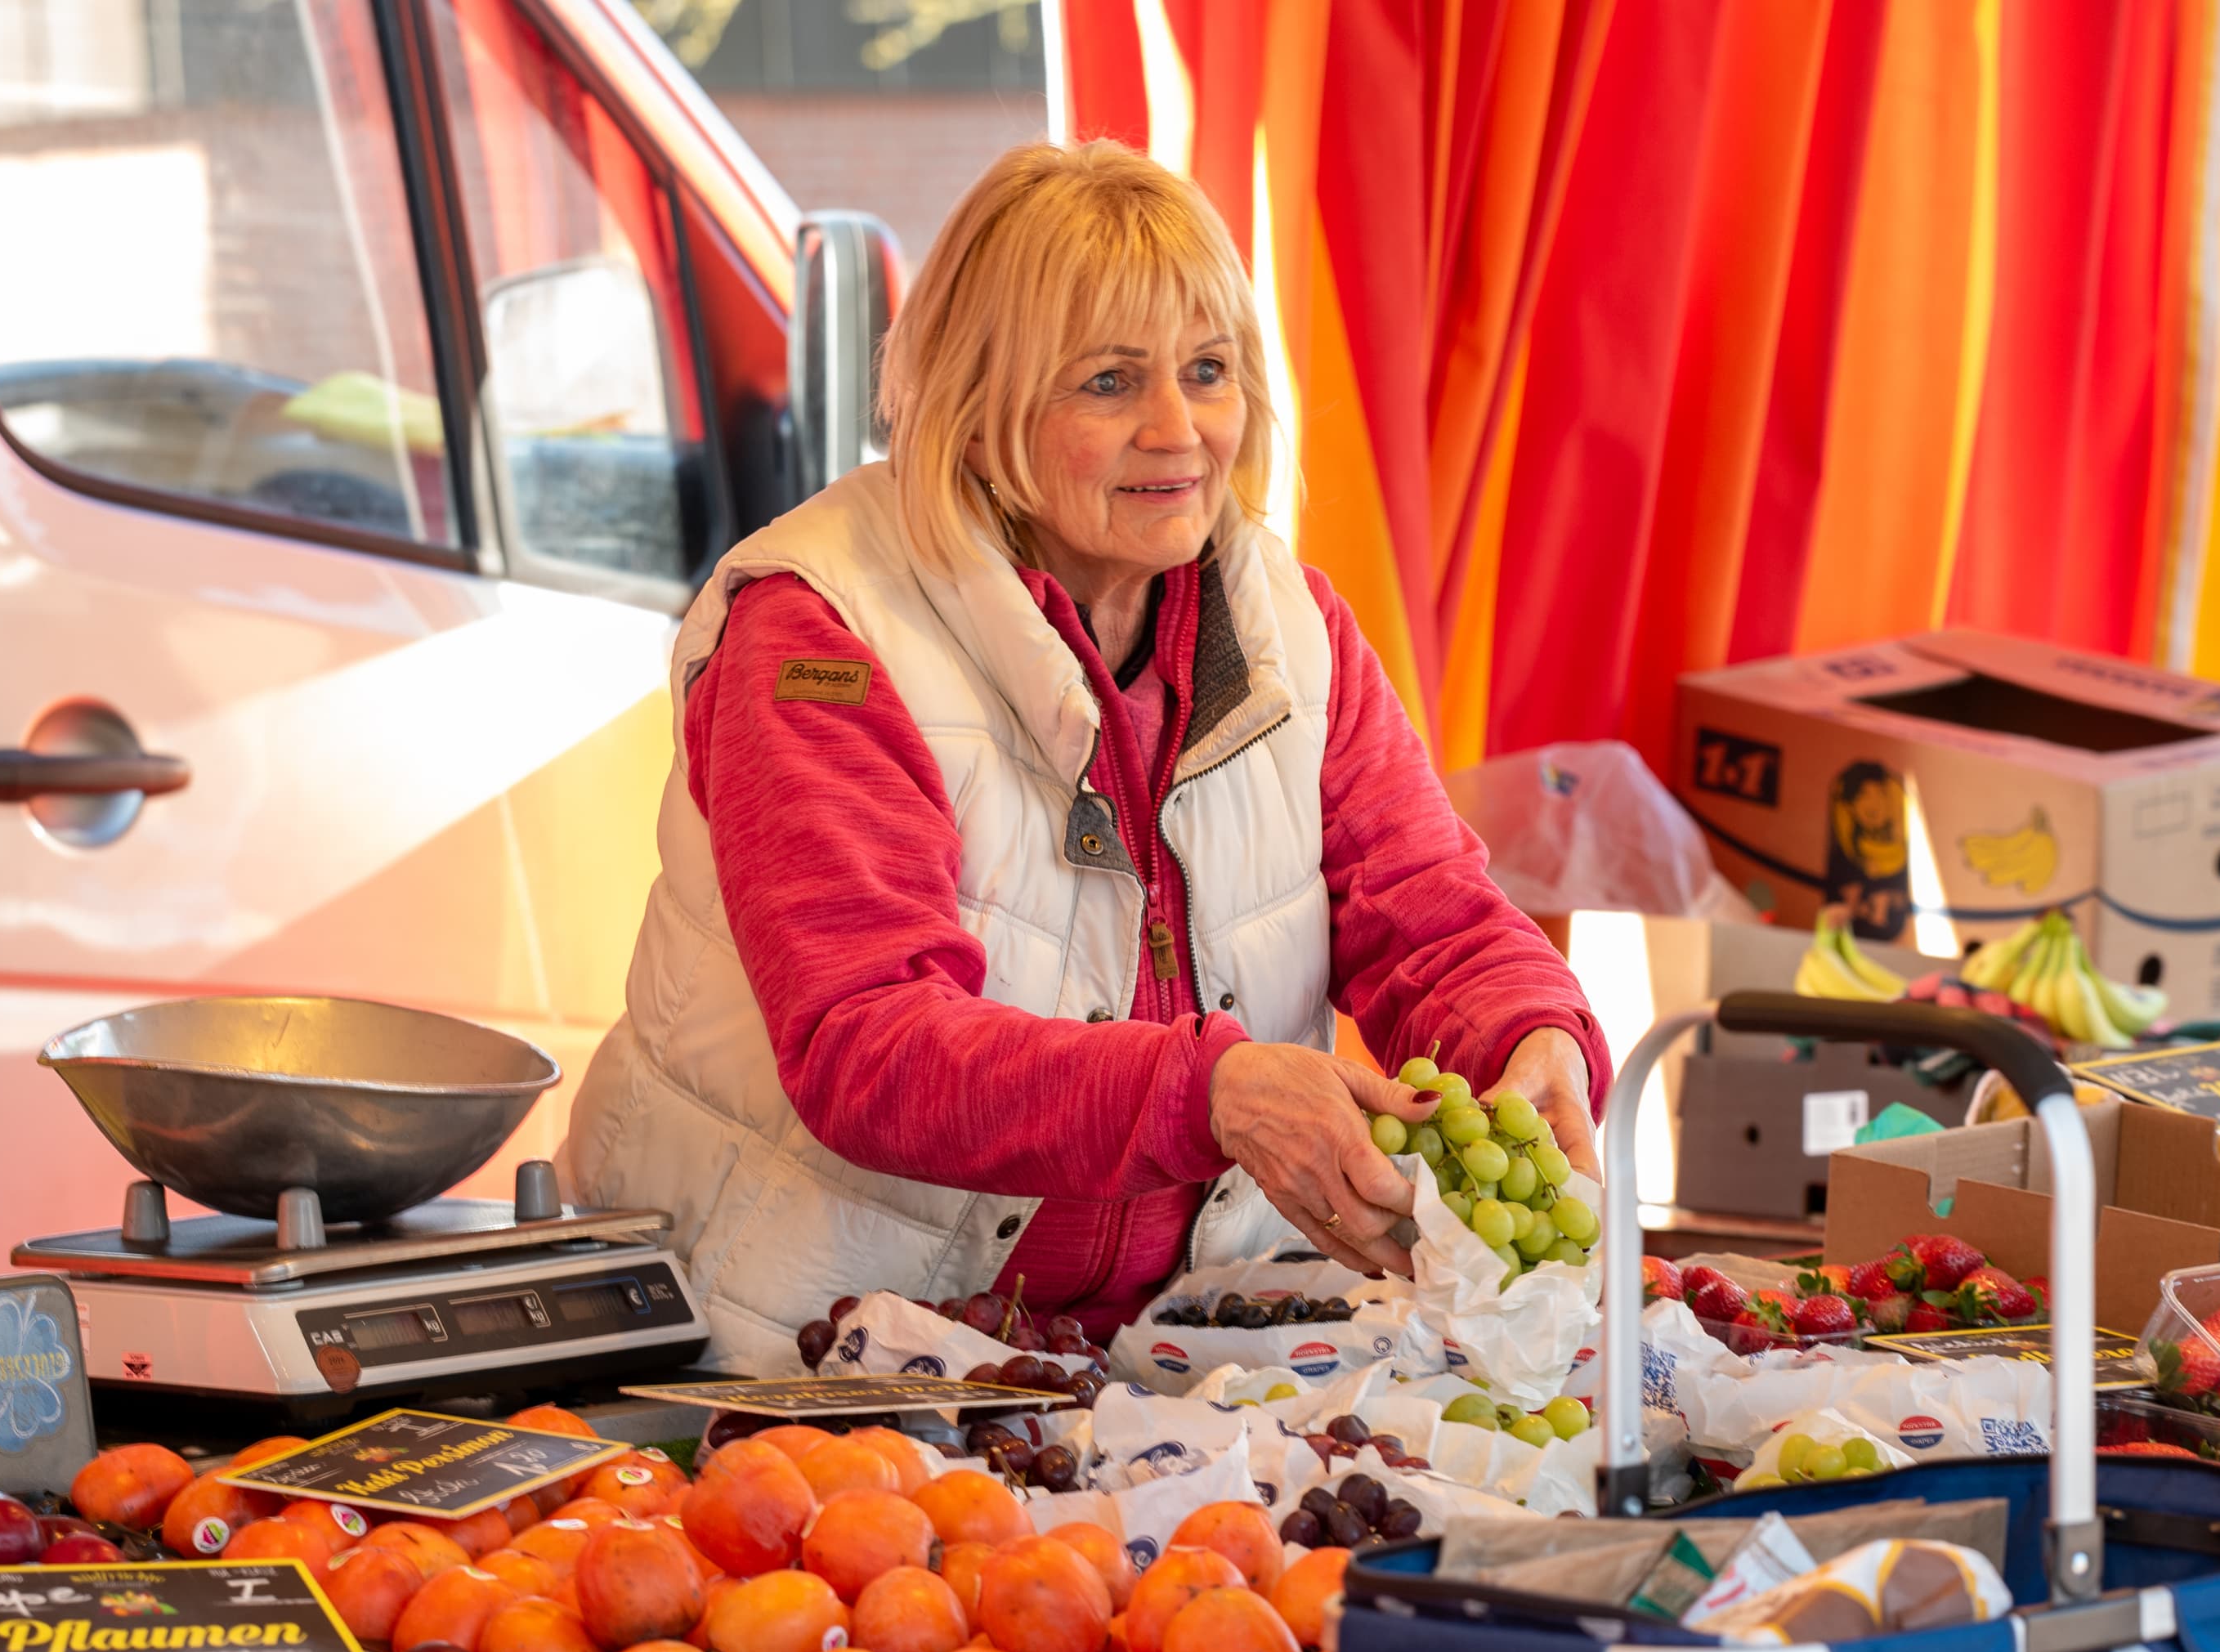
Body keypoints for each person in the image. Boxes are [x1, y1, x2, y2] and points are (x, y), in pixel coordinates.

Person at [561, 141, 1606, 1370]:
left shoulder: (1290, 628)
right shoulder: (821, 637)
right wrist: (1210, 1094)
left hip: (1149, 1366)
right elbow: (869, 1045)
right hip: (795, 1355)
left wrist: (1530, 1034)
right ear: (979, 405)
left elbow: (1428, 913)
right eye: (1109, 383)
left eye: (1208, 371)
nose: (1180, 431)